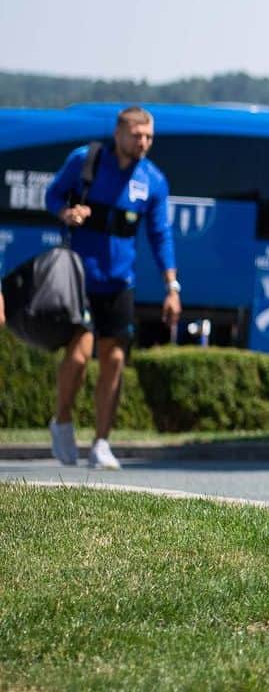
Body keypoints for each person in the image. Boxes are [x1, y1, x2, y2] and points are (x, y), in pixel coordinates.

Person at [43, 105, 181, 469]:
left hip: (120, 282)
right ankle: (62, 421)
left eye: (149, 136)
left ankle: (101, 442)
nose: (144, 143)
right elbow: (52, 196)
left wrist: (172, 286)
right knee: (77, 356)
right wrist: (66, 213)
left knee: (115, 359)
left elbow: (160, 235)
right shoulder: (84, 161)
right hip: (80, 277)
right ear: (119, 134)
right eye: (138, 136)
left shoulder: (153, 180)